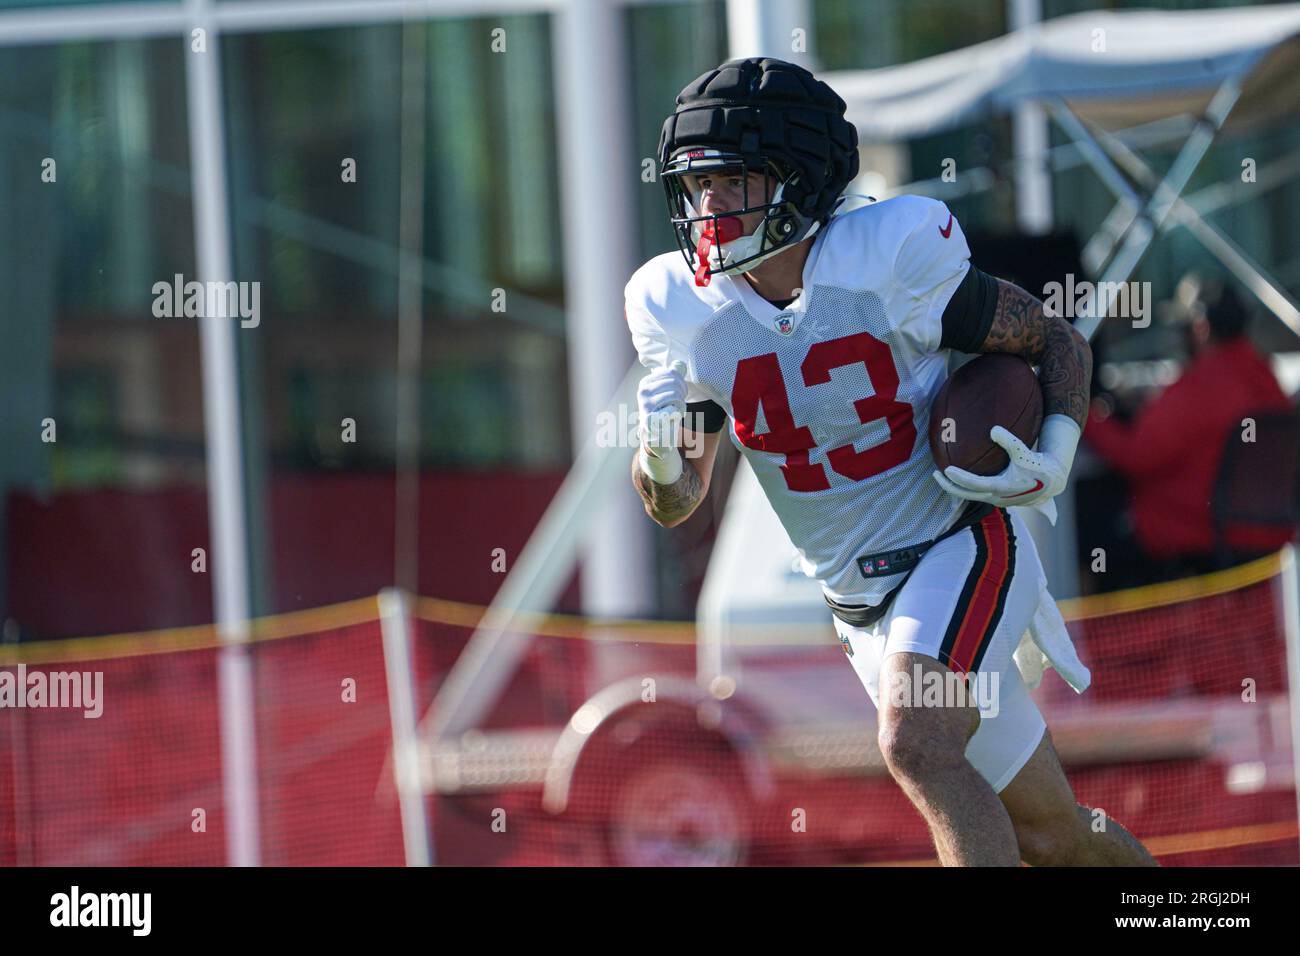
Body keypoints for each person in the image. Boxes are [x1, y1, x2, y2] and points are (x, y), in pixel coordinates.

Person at [624, 57, 1156, 867]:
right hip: (859, 606)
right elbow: (677, 500)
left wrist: (1053, 455)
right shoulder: (681, 309)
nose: (707, 209)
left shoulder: (887, 258)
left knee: (916, 744)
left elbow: (1054, 340)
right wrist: (660, 463)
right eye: (697, 188)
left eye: (731, 184)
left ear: (795, 181)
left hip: (957, 544)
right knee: (1054, 834)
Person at [1085, 279, 1294, 582]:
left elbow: (1135, 457)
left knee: (1092, 531)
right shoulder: (1267, 378)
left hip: (1195, 536)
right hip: (1269, 541)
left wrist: (1081, 416)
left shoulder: (1199, 386)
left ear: (1201, 328)